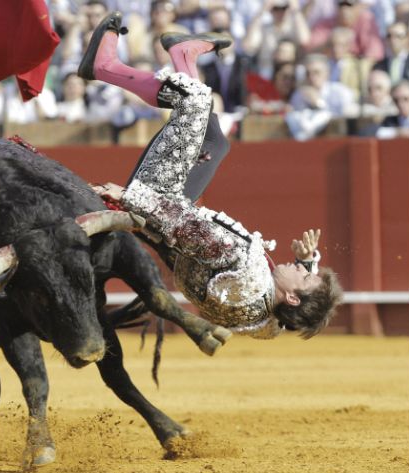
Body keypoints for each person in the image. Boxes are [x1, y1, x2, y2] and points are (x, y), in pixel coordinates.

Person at [79, 12, 343, 339]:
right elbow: (293, 314)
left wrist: (129, 198)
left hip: (159, 199)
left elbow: (181, 224)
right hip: (174, 227)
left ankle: (104, 67)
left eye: (302, 277)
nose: (296, 267)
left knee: (196, 101)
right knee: (216, 143)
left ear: (292, 296)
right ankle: (182, 55)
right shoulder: (268, 322)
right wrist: (308, 265)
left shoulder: (241, 261)